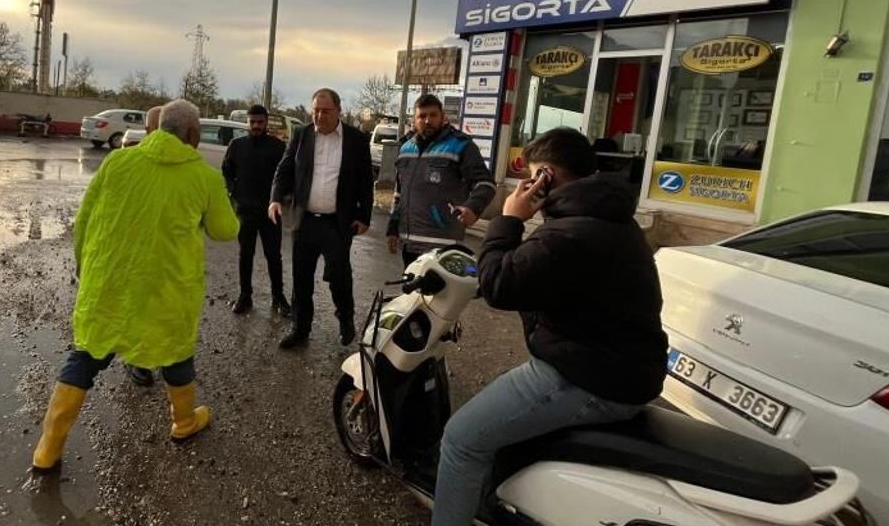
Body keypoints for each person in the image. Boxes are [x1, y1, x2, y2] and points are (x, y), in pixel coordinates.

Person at [430, 127, 668, 526]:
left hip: (588, 377)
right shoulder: (608, 218)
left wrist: (508, 219)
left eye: (533, 176)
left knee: (460, 440)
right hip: (616, 365)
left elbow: (498, 285)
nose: (526, 186)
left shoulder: (570, 233)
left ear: (546, 178)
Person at [29, 99, 238, 475]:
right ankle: (183, 422)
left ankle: (48, 449)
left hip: (109, 285)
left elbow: (85, 218)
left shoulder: (117, 162)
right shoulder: (205, 177)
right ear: (193, 135)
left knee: (86, 357)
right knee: (176, 354)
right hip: (167, 290)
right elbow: (225, 230)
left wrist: (84, 267)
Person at [268, 88, 373, 349]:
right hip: (304, 220)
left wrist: (364, 216)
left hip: (336, 223)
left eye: (325, 111)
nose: (319, 116)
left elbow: (365, 181)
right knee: (301, 279)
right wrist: (275, 198)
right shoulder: (302, 135)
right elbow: (284, 168)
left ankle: (345, 318)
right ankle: (300, 329)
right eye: (315, 110)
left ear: (338, 111)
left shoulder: (356, 140)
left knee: (339, 276)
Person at [387, 94, 496, 269]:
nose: (427, 120)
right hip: (409, 243)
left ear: (442, 116)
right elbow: (399, 191)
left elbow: (486, 183)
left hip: (443, 244)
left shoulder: (461, 145)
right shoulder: (406, 148)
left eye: (433, 115)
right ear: (414, 119)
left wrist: (473, 207)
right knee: (412, 286)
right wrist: (393, 226)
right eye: (422, 116)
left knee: (439, 288)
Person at [222, 104, 290, 316]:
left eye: (260, 122)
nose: (256, 126)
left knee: (273, 256)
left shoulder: (278, 147)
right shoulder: (237, 145)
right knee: (246, 254)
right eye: (252, 122)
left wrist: (281, 198)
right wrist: (234, 192)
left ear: (266, 122)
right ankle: (245, 296)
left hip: (270, 211)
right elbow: (227, 171)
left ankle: (278, 297)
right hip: (245, 210)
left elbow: (286, 175)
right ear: (247, 122)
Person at [122, 103, 168, 388]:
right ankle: (136, 359)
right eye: (156, 129)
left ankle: (158, 353)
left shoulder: (180, 163)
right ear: (147, 130)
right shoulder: (129, 160)